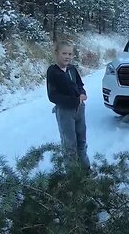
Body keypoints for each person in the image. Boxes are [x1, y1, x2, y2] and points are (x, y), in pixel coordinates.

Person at [46, 40, 90, 171]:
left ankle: (86, 169)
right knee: (69, 143)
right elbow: (52, 96)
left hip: (79, 109)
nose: (67, 56)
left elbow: (80, 85)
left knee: (81, 140)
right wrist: (74, 101)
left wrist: (82, 94)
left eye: (70, 54)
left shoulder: (72, 69)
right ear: (56, 54)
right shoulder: (53, 72)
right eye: (64, 53)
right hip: (65, 111)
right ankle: (72, 175)